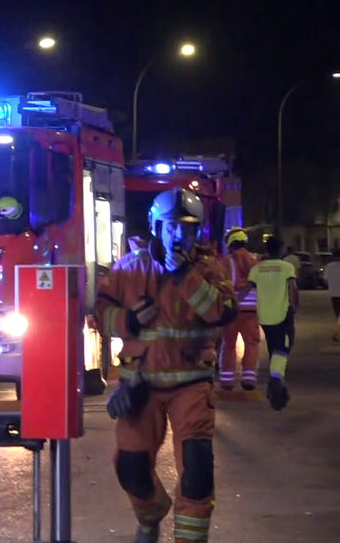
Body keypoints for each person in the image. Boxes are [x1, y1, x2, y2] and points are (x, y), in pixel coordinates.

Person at [97, 187, 237, 543]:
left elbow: (222, 311)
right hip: (139, 386)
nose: (179, 234)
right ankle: (151, 514)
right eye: (171, 226)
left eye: (188, 228)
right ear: (155, 227)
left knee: (197, 472)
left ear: (198, 232)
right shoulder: (129, 269)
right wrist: (128, 321)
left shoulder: (208, 269)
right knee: (130, 469)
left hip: (192, 385)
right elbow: (101, 312)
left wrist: (184, 276)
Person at [247, 236, 298, 411]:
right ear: (281, 249)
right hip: (282, 315)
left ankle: (277, 381)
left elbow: (246, 289)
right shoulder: (286, 267)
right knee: (283, 346)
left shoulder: (257, 269)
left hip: (264, 318)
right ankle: (276, 382)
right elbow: (293, 288)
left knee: (274, 348)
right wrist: (295, 307)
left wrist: (231, 303)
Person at [219, 227, 262, 390]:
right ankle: (249, 378)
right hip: (250, 309)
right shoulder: (255, 259)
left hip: (231, 308)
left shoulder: (226, 261)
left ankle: (227, 380)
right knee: (251, 343)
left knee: (228, 343)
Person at [324, 248, 340, 342]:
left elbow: (326, 279)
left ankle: (337, 333)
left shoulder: (329, 266)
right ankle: (337, 333)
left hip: (334, 293)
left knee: (337, 314)